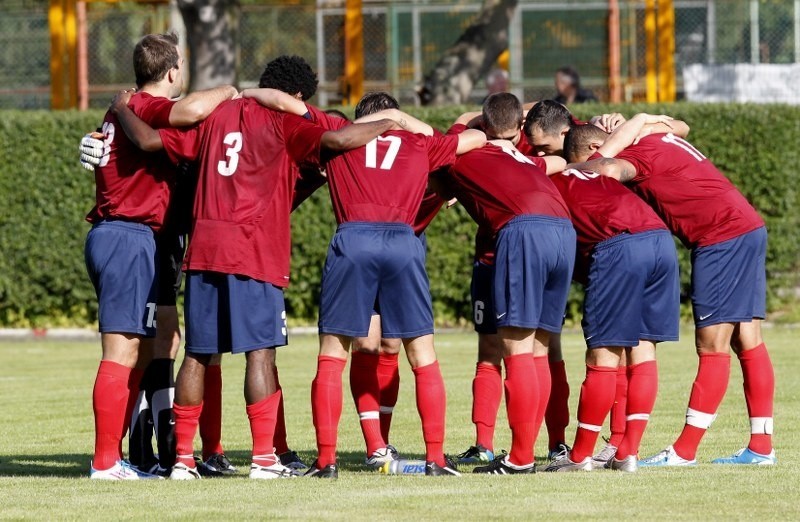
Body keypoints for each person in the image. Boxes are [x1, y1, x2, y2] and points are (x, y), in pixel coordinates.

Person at [109, 76, 402, 480]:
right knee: (260, 352)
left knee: (197, 353)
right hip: (254, 249)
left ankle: (181, 460)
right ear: (288, 97)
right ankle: (264, 459)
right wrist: (390, 122)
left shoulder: (214, 118)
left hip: (206, 247)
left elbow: (150, 143)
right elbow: (338, 140)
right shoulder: (284, 123)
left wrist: (121, 110)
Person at [292, 91, 486, 478]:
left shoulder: (339, 134)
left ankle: (326, 462)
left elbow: (295, 109)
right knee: (423, 354)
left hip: (354, 238)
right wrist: (405, 121)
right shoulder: (418, 143)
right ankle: (436, 459)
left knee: (332, 354)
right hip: (403, 241)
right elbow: (476, 138)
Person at [568, 113, 776, 467]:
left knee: (712, 344)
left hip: (719, 236)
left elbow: (604, 172)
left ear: (598, 145)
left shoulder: (633, 155)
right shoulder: (655, 135)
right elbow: (680, 125)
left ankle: (684, 451)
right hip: (745, 224)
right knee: (747, 339)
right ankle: (760, 446)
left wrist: (575, 165)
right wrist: (640, 122)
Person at [84, 31, 236, 480]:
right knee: (121, 352)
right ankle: (105, 462)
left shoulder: (123, 112)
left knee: (141, 347)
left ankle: (122, 456)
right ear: (172, 71)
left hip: (127, 236)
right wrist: (229, 89)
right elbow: (187, 110)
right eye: (181, 69)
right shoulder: (145, 106)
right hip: (129, 236)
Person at [439, 93, 575, 475]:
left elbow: (445, 142)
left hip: (522, 232)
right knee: (540, 350)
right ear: (519, 130)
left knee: (513, 351)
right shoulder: (531, 161)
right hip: (563, 231)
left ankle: (519, 458)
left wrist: (469, 120)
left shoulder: (468, 153)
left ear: (481, 125)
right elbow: (567, 147)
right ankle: (535, 449)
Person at [542, 118, 680, 473]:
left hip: (619, 246)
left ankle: (579, 457)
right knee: (643, 350)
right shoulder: (603, 172)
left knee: (603, 355)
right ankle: (628, 453)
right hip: (661, 241)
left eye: (545, 150)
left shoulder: (552, 180)